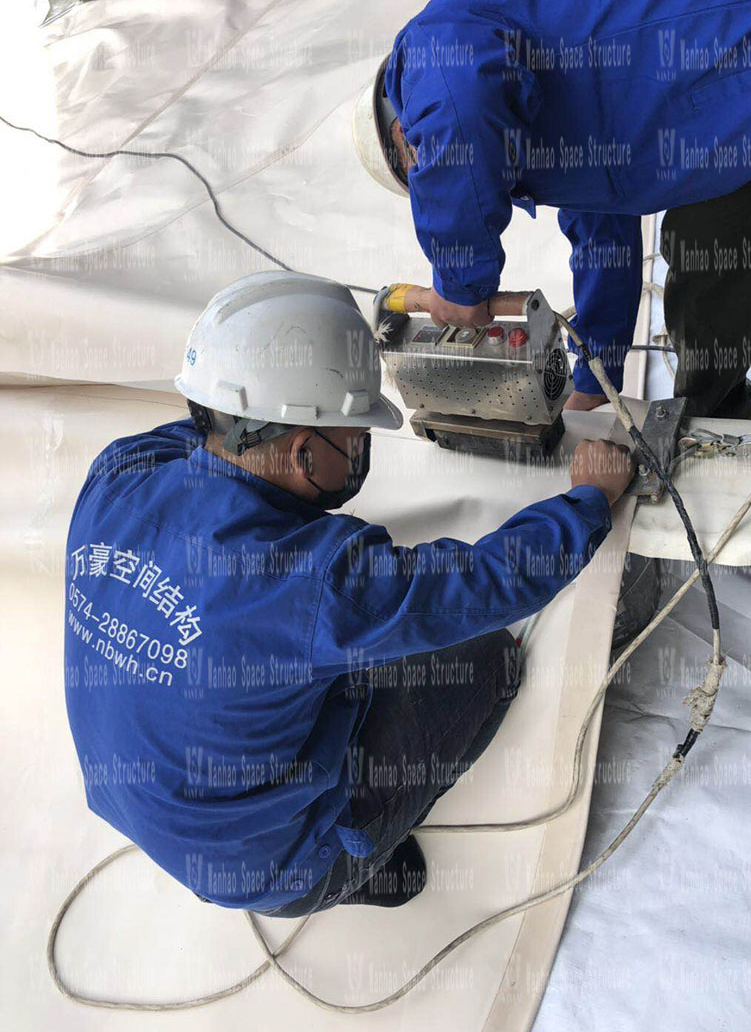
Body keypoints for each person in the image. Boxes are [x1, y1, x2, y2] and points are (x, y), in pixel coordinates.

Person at [64, 271, 633, 915]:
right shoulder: (317, 583)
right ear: (303, 448)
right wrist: (591, 496)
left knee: (302, 671)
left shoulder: (118, 471)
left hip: (135, 805)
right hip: (267, 868)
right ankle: (353, 867)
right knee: (486, 658)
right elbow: (485, 582)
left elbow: (214, 426)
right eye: (357, 436)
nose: (362, 449)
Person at [352, 0, 751, 420]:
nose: (432, 169)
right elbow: (603, 234)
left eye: (421, 167)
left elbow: (459, 110)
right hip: (750, 122)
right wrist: (594, 379)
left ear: (401, 124)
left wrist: (458, 282)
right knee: (703, 258)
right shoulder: (547, 134)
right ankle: (723, 438)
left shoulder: (431, 50)